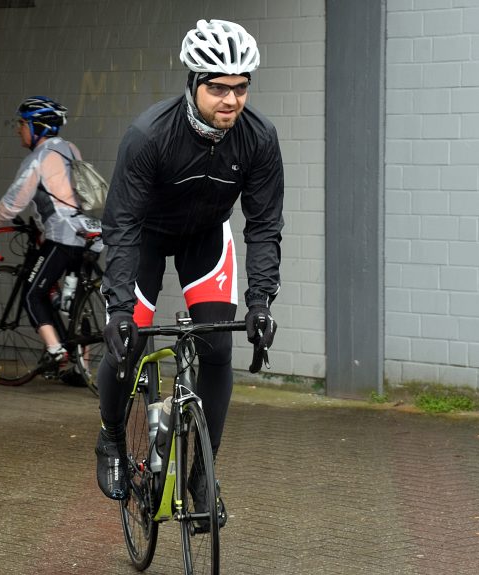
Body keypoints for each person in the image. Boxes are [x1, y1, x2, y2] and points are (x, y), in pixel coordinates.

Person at [95, 19, 284, 508]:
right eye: (217, 87)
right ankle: (111, 437)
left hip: (205, 237)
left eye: (241, 88)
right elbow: (120, 225)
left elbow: (263, 226)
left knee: (218, 348)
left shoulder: (259, 139)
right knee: (127, 342)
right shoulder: (148, 136)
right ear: (193, 82)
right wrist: (118, 307)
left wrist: (261, 300)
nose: (231, 99)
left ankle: (203, 474)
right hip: (144, 238)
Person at [0, 96, 103, 370]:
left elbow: (13, 203)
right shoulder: (70, 149)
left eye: (22, 123)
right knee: (75, 302)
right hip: (88, 234)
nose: (17, 129)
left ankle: (57, 353)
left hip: (63, 236)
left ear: (38, 127)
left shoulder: (38, 158)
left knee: (32, 295)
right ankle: (83, 369)